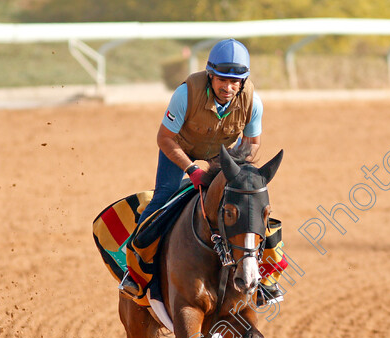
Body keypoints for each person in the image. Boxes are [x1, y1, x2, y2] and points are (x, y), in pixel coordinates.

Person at [120, 38, 283, 306]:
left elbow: (252, 143)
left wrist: (238, 172)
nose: (228, 87)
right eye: (222, 80)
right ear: (210, 75)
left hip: (223, 158)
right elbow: (164, 139)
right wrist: (191, 168)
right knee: (164, 197)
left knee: (253, 203)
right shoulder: (185, 94)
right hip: (180, 150)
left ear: (243, 81)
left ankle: (266, 279)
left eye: (235, 82)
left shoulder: (254, 102)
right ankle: (135, 271)